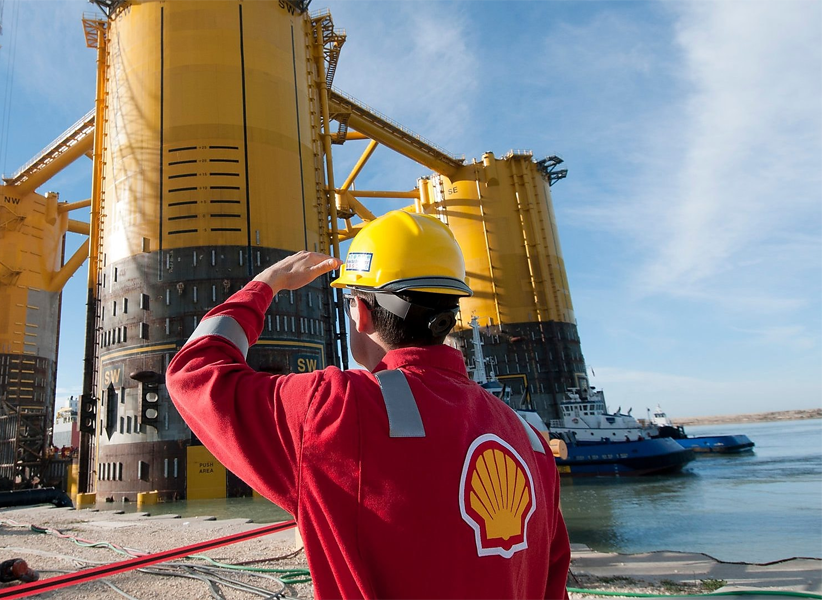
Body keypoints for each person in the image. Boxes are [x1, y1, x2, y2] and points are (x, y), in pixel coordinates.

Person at [167, 210, 570, 599]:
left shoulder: (337, 409)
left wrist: (265, 284)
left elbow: (194, 373)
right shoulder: (531, 442)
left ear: (360, 312)